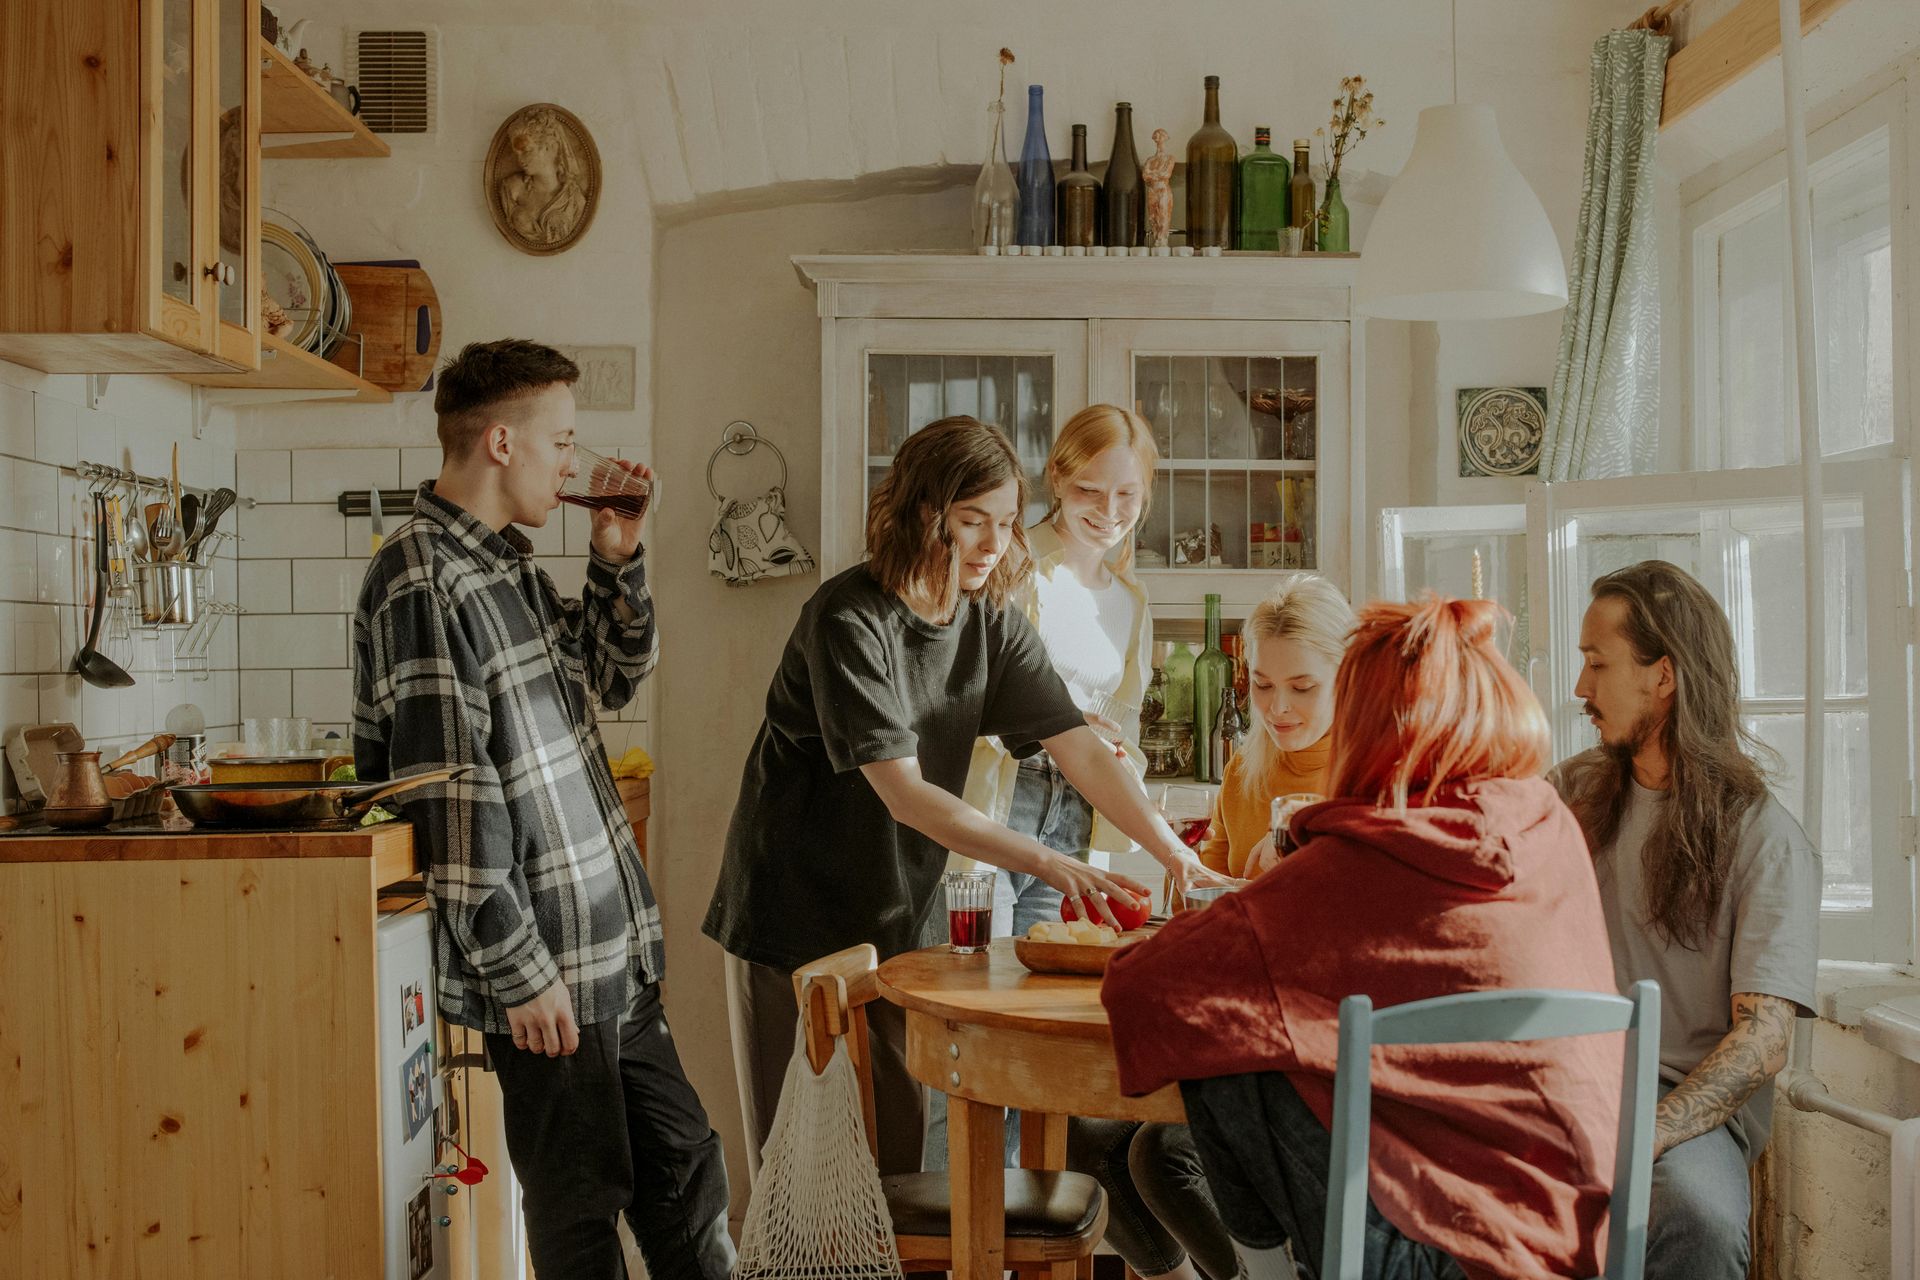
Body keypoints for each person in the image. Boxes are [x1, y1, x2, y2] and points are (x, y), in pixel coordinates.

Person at [704, 415, 1212, 1179]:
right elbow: (905, 794)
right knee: (798, 1173)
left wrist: (1176, 855)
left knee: (898, 1168)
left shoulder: (991, 622)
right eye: (972, 522)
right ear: (919, 513)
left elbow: (1077, 746)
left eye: (1007, 524)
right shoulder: (849, 619)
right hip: (788, 920)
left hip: (892, 922)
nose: (993, 545)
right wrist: (1053, 865)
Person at [351, 339, 733, 1280]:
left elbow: (612, 674)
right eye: (562, 438)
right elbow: (451, 797)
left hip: (615, 961)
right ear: (500, 442)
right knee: (579, 1226)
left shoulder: (509, 567)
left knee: (690, 1189)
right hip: (549, 976)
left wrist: (618, 554)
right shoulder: (420, 575)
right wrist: (520, 975)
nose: (575, 461)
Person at [1105, 596, 1623, 1280]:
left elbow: (1144, 987)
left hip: (1430, 1256)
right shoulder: (1546, 824)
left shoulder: (1363, 856)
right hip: (1579, 1239)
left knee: (1232, 1045)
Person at [929, 404, 1239, 1175]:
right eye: (1091, 493)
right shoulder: (1012, 565)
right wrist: (1062, 729)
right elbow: (960, 703)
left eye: (1127, 497)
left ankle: (1018, 1226)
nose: (1108, 513)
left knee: (1036, 1034)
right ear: (1058, 481)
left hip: (1073, 822)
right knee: (973, 1031)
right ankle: (960, 1230)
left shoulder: (1131, 601)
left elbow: (1118, 733)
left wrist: (1158, 828)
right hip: (998, 809)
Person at [1070, 572, 1352, 1280]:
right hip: (1231, 1026)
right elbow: (1213, 899)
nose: (1278, 708)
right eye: (1261, 685)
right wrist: (1191, 881)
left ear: (1346, 675)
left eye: (1302, 686)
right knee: (1091, 1142)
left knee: (1158, 1158)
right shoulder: (1245, 770)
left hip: (1315, 1049)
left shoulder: (1368, 775)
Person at [1554, 561, 1819, 1280]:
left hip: (1683, 1108)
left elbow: (1765, 1039)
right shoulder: (1573, 793)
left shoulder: (1766, 838)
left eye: (1596, 663)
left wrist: (1651, 1131)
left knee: (1695, 1217)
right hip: (1566, 1081)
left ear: (1662, 677)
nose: (1580, 688)